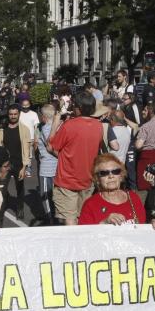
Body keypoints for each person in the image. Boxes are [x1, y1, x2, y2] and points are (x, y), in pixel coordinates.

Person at [48, 91, 103, 225]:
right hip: (87, 179)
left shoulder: (69, 126)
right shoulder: (98, 126)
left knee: (69, 219)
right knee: (82, 217)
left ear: (77, 107)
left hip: (67, 179)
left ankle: (72, 244)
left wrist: (56, 120)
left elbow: (51, 145)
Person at [78, 154, 150, 226]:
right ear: (97, 179)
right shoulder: (90, 205)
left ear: (121, 176)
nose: (111, 176)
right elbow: (85, 234)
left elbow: (142, 227)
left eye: (116, 171)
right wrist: (104, 223)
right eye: (104, 173)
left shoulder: (133, 198)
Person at [0, 103, 32, 220]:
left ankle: (20, 208)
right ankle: (0, 211)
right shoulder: (2, 129)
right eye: (11, 114)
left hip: (19, 164)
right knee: (2, 189)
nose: (13, 116)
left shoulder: (25, 129)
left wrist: (24, 167)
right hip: (6, 165)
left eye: (15, 114)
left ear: (19, 114)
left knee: (20, 188)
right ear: (8, 115)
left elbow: (27, 150)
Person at [36, 104, 59, 224]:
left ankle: (50, 219)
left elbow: (50, 147)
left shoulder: (45, 129)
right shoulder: (58, 127)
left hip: (47, 168)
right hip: (58, 167)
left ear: (44, 117)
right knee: (57, 195)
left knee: (45, 195)